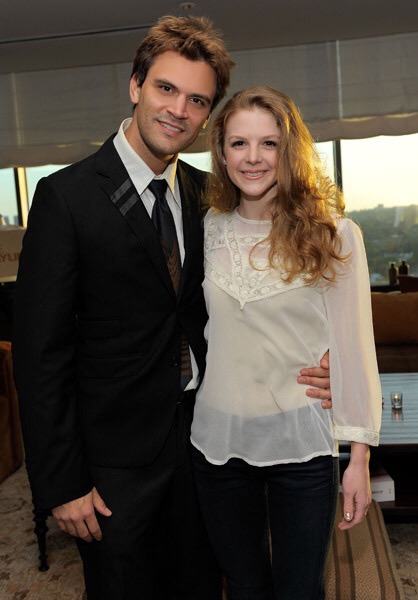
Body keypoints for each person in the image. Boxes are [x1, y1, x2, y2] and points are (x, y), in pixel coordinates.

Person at [12, 16, 331, 600]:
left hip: (203, 448)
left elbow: (258, 293)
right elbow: (40, 354)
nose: (177, 109)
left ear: (207, 115)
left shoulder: (208, 194)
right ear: (135, 86)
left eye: (197, 99)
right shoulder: (66, 195)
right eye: (165, 89)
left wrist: (323, 360)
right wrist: (62, 481)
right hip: (113, 463)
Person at [190, 86, 382, 600]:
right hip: (217, 445)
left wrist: (358, 459)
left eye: (268, 144)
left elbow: (355, 347)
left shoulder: (334, 235)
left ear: (289, 151)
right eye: (239, 144)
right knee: (246, 588)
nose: (253, 158)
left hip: (301, 446)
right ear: (221, 151)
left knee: (300, 591)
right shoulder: (203, 230)